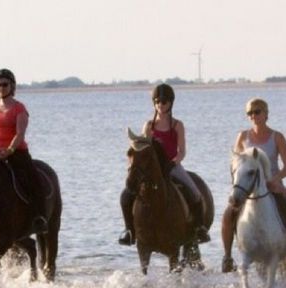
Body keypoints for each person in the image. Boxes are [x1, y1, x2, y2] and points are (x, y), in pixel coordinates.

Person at [119, 83, 210, 245]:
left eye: (164, 102)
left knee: (195, 193)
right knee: (126, 195)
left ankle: (199, 228)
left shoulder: (177, 125)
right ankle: (130, 231)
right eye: (157, 102)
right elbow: (143, 150)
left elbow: (182, 151)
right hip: (152, 168)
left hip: (172, 166)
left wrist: (173, 163)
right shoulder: (148, 126)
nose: (161, 105)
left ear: (170, 103)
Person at [221, 97, 286, 272]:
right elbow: (236, 163)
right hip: (248, 186)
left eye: (257, 112)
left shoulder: (277, 137)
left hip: (272, 184)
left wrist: (276, 179)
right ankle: (227, 257)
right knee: (228, 213)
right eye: (250, 113)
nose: (253, 116)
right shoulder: (243, 136)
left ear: (266, 114)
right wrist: (236, 184)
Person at [0, 68, 48, 233]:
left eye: (5, 84)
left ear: (12, 86)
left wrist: (9, 150)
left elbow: (20, 133)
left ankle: (39, 217)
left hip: (16, 152)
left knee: (33, 179)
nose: (1, 87)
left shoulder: (19, 108)